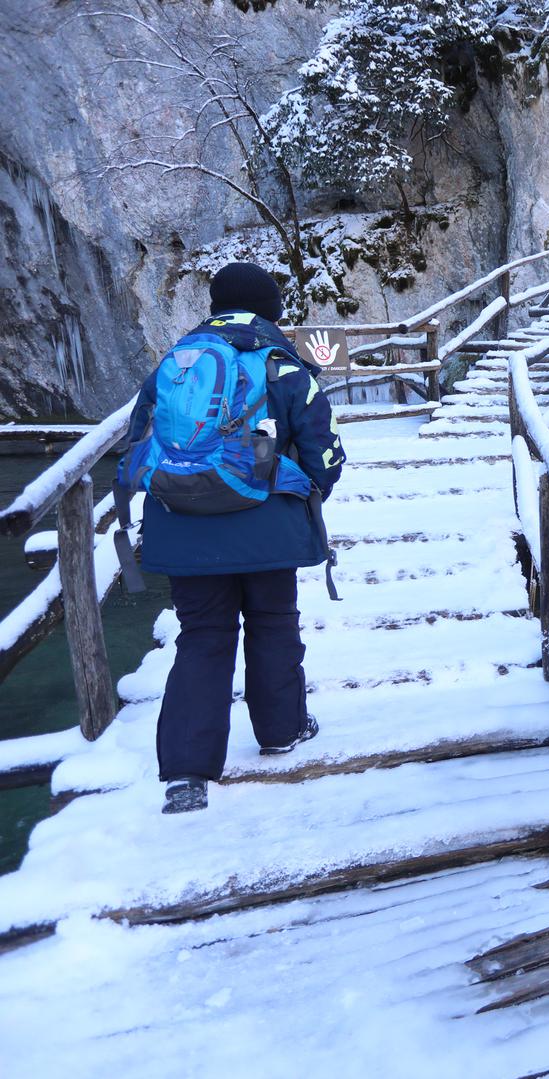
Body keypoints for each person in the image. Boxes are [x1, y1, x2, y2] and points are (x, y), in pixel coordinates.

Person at [115, 262, 346, 814]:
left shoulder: (178, 361)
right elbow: (324, 452)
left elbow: (137, 435)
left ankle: (188, 774)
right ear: (271, 310)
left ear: (215, 305)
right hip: (267, 525)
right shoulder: (285, 364)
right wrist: (300, 492)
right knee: (272, 623)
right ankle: (282, 731)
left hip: (184, 522)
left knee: (202, 636)